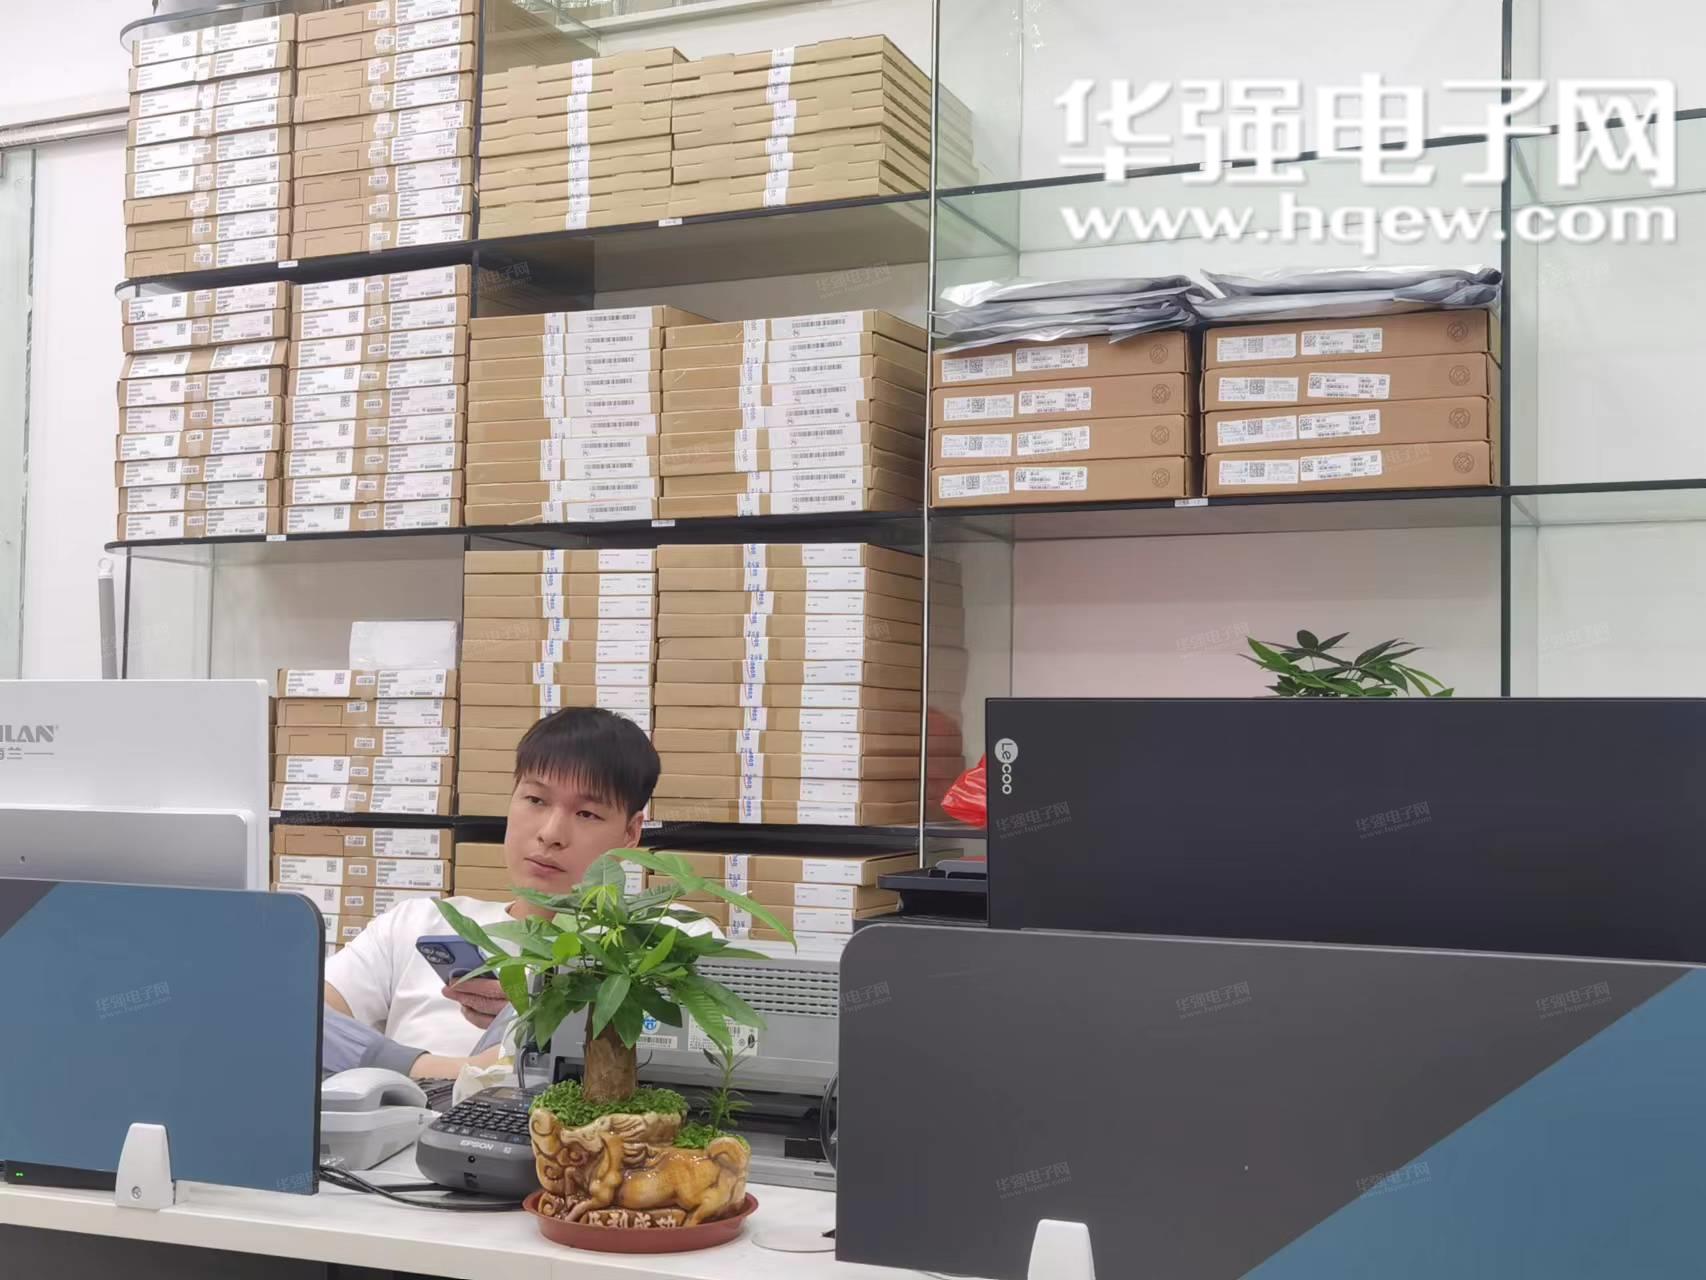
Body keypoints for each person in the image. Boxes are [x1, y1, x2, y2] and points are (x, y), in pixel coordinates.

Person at [323, 707, 670, 1080]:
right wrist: (446, 1070)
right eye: (536, 800)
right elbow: (298, 1017)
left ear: (630, 833)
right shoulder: (414, 924)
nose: (551, 833)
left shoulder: (662, 942)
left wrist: (534, 1012)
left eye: (587, 814)